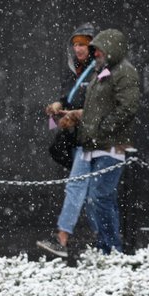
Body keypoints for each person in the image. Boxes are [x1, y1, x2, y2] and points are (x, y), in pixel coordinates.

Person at [57, 28, 139, 254]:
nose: (95, 53)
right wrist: (77, 117)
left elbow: (127, 108)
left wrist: (102, 127)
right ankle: (104, 246)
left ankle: (111, 248)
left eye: (98, 49)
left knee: (100, 197)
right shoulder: (99, 72)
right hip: (91, 143)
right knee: (95, 197)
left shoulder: (124, 72)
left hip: (111, 145)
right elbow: (94, 108)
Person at [37, 23, 97, 258]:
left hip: (90, 137)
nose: (78, 49)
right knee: (89, 190)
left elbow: (99, 105)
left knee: (82, 188)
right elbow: (69, 96)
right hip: (78, 137)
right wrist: (59, 106)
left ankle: (64, 237)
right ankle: (103, 240)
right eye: (75, 44)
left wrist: (75, 114)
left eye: (82, 44)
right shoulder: (74, 69)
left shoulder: (100, 70)